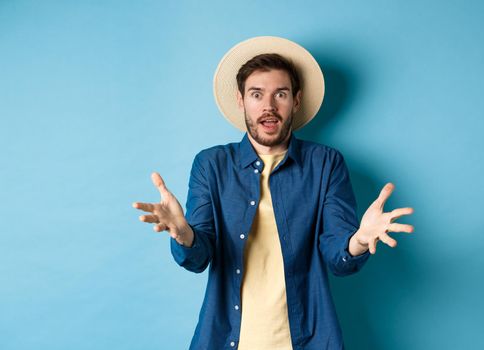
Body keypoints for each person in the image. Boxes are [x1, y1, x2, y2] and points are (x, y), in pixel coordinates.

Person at [133, 36, 414, 350]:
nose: (268, 106)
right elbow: (198, 259)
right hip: (226, 340)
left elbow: (338, 258)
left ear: (295, 100)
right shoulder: (211, 165)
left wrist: (359, 239)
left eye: (280, 94)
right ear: (241, 101)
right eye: (256, 94)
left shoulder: (326, 163)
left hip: (308, 339)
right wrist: (184, 233)